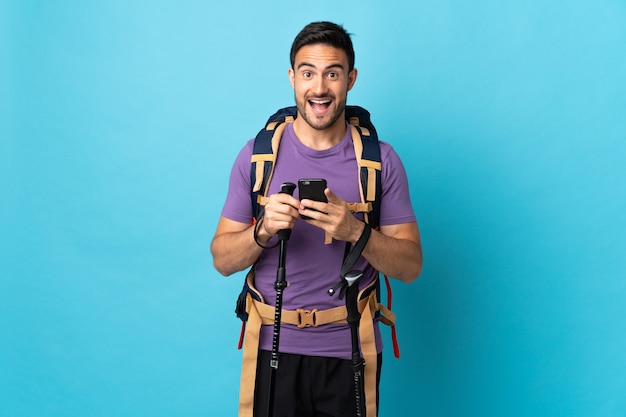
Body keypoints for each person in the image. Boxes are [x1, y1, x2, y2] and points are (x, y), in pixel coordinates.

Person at [211, 21, 422, 417]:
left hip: (350, 350)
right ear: (292, 78)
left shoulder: (380, 162)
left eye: (333, 73)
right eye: (308, 73)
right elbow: (222, 260)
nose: (320, 88)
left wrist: (356, 232)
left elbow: (411, 266)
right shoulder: (258, 158)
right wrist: (262, 231)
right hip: (271, 346)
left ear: (351, 79)